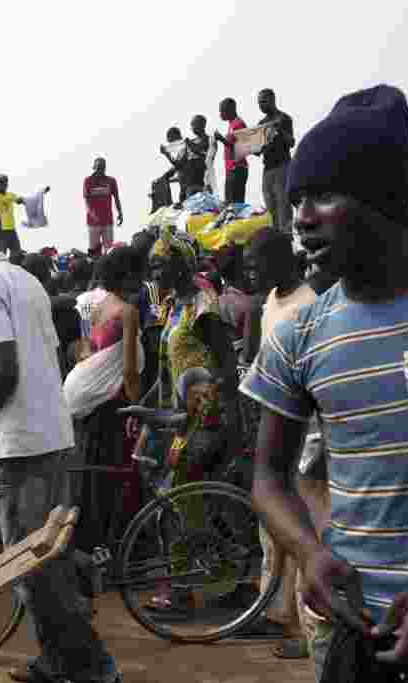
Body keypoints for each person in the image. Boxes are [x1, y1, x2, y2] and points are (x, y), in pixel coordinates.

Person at [242, 85, 408, 679]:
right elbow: (268, 477)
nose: (301, 217)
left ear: (382, 199)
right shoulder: (300, 334)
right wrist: (311, 553)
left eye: (322, 195)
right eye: (297, 199)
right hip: (359, 638)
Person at [0, 206, 121, 683]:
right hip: (51, 433)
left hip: (19, 443)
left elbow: (4, 370)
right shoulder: (27, 280)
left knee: (30, 567)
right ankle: (56, 661)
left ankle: (94, 665)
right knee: (50, 560)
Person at [143, 225, 245, 614]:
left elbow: (227, 366)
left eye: (160, 264)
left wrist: (219, 419)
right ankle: (215, 579)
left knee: (183, 501)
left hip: (206, 422)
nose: (154, 272)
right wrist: (146, 410)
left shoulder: (203, 306)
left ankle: (189, 588)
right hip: (181, 422)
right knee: (186, 504)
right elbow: (168, 372)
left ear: (182, 265)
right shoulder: (172, 307)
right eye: (152, 265)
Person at [241, 227, 314, 659]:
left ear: (280, 260)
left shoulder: (307, 304)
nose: (251, 273)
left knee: (303, 529)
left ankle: (308, 628)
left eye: (256, 265)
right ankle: (276, 612)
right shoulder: (270, 301)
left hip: (305, 437)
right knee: (273, 529)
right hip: (275, 427)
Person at [70, 246, 144, 555]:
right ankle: (122, 546)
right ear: (127, 276)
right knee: (119, 476)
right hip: (115, 407)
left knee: (95, 476)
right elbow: (129, 371)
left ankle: (92, 544)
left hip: (90, 406)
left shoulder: (94, 308)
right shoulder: (127, 313)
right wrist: (138, 409)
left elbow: (84, 353)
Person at [257, 89, 296, 232]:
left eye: (263, 101)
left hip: (282, 167)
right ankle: (275, 241)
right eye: (259, 103)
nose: (260, 105)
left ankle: (286, 241)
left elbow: (291, 142)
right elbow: (258, 151)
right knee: (271, 209)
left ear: (272, 100)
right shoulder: (261, 123)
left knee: (284, 208)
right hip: (267, 170)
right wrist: (247, 143)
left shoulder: (284, 118)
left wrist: (279, 129)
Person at [0, 174, 50, 265]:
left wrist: (40, 193)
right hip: (0, 231)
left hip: (11, 230)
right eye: (1, 182)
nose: (4, 184)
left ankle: (12, 269)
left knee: (17, 253)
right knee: (1, 256)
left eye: (5, 182)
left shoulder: (10, 195)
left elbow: (25, 200)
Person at [84, 157, 123, 257]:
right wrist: (92, 214)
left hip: (107, 221)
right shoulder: (88, 181)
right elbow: (86, 201)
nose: (100, 170)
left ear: (104, 168)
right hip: (93, 223)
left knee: (109, 251)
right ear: (94, 168)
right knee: (94, 252)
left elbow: (116, 198)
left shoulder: (111, 181)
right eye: (98, 168)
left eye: (102, 168)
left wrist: (120, 213)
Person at [213, 98, 249, 204]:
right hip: (232, 169)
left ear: (231, 109)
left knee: (234, 204)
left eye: (222, 111)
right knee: (230, 202)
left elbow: (243, 147)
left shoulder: (239, 124)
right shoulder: (232, 124)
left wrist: (221, 139)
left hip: (237, 168)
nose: (220, 114)